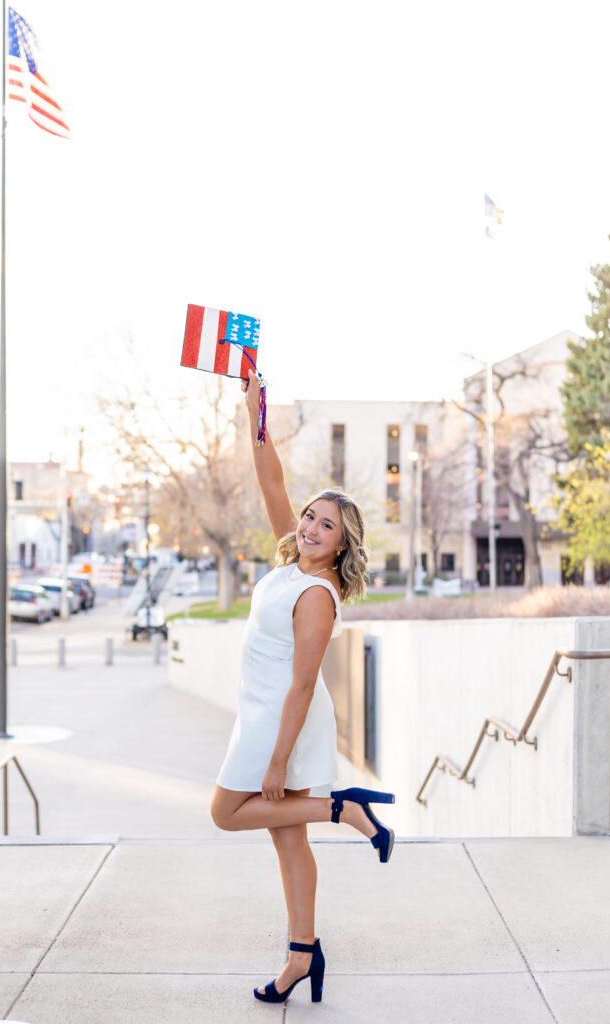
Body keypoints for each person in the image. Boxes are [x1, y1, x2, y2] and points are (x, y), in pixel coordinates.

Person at [210, 371, 395, 1005]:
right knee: (285, 838)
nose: (312, 528)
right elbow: (271, 478)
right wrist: (255, 408)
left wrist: (280, 758)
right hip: (260, 710)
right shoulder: (293, 561)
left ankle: (339, 808)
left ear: (343, 545)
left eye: (326, 527)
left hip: (282, 717)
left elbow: (302, 684)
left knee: (226, 811)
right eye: (311, 518)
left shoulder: (317, 593)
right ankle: (301, 956)